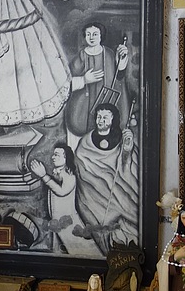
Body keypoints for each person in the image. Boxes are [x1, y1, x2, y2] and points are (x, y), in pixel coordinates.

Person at [74, 103, 139, 252]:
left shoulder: (121, 139)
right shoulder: (86, 142)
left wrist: (127, 150)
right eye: (98, 117)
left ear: (112, 120)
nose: (101, 120)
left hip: (118, 190)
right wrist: (98, 179)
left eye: (105, 117)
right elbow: (81, 169)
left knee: (126, 216)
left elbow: (127, 167)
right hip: (94, 196)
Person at [29, 143, 98, 256]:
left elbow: (61, 191)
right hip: (58, 222)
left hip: (68, 223)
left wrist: (43, 176)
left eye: (57, 155)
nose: (53, 157)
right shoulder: (58, 173)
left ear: (66, 158)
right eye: (53, 154)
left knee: (79, 250)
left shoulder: (70, 176)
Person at [66, 23, 130, 141]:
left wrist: (122, 57)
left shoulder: (109, 54)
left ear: (101, 36)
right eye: (88, 34)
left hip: (106, 101)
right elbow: (66, 83)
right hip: (83, 108)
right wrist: (84, 80)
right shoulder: (79, 57)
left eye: (95, 34)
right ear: (84, 37)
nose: (91, 37)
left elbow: (119, 76)